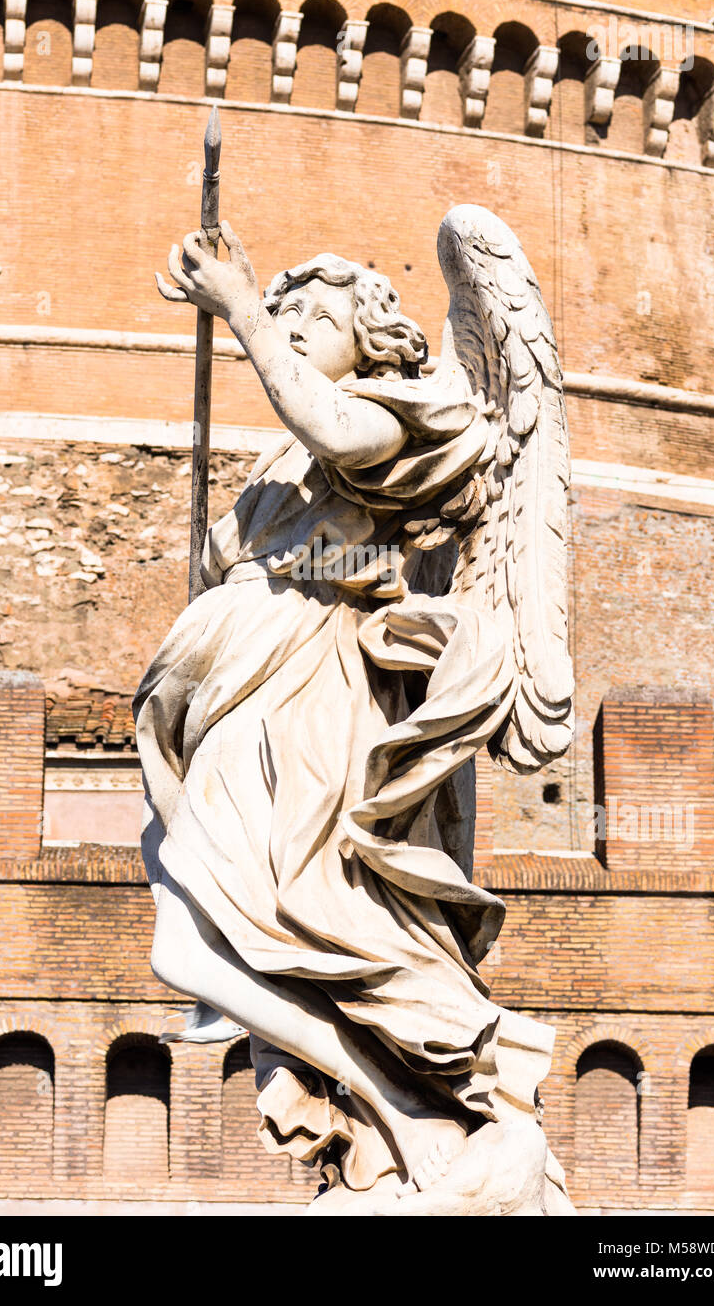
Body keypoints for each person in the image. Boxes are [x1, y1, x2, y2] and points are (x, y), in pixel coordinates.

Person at [135, 221, 573, 1211]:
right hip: (241, 687)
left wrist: (243, 309)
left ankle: (408, 1114)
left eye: (314, 315)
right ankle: (386, 1125)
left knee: (225, 935)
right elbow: (242, 551)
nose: (289, 321)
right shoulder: (281, 463)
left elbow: (340, 435)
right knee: (215, 938)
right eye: (284, 309)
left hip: (308, 700)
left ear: (375, 345)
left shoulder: (394, 420)